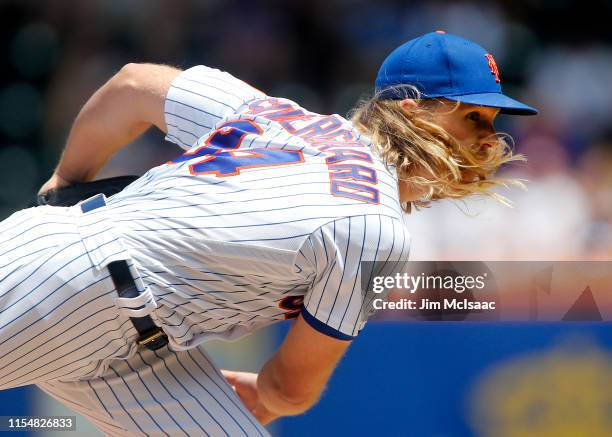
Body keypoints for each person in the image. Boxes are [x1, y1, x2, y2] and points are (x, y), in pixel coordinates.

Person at [0, 31, 536, 436]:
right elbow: (291, 387)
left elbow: (133, 85)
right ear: (413, 110)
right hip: (71, 282)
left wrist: (64, 181)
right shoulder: (378, 231)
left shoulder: (276, 112)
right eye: (474, 119)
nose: (488, 142)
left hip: (138, 345)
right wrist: (272, 396)